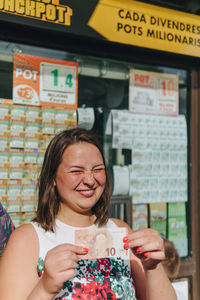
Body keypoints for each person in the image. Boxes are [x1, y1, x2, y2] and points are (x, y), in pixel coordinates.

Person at [0, 128, 177, 300]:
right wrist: (45, 288)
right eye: (76, 171)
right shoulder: (28, 239)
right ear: (52, 177)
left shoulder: (120, 230)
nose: (90, 180)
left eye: (98, 169)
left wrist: (152, 267)